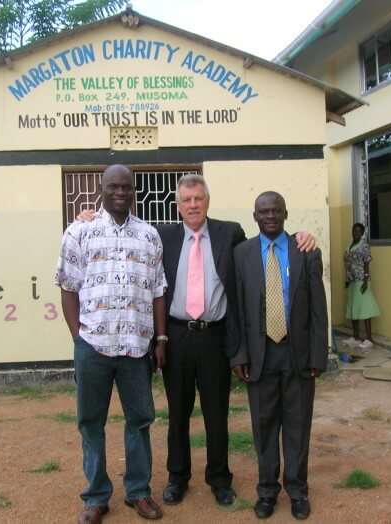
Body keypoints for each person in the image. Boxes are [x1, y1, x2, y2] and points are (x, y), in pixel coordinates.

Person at [75, 174, 316, 509]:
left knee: (217, 413)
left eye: (198, 199)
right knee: (178, 413)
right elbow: (125, 231)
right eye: (186, 200)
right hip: (176, 336)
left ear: (207, 202)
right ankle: (177, 478)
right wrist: (88, 216)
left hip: (215, 335)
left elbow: (265, 244)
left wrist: (301, 235)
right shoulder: (161, 235)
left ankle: (219, 479)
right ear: (177, 205)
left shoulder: (230, 233)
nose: (193, 206)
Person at [55, 164, 167, 524]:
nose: (120, 192)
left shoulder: (149, 236)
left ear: (134, 191)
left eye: (127, 187)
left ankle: (138, 491)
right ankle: (96, 496)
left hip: (136, 347)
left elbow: (158, 291)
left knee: (140, 420)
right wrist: (78, 337)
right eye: (113, 187)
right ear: (101, 189)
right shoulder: (79, 232)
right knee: (91, 422)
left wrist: (160, 338)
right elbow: (68, 287)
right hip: (93, 346)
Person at [231, 191, 328, 520]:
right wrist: (239, 355)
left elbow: (318, 308)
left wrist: (318, 355)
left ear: (285, 214)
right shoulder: (242, 254)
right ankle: (267, 491)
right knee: (264, 426)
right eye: (264, 211)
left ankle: (298, 491)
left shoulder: (306, 251)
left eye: (276, 210)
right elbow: (237, 309)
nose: (270, 216)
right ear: (255, 217)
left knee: (298, 426)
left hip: (297, 353)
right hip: (259, 356)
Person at [343, 222, 381, 350]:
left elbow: (366, 264)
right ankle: (355, 336)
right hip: (352, 281)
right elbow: (348, 264)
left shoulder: (364, 246)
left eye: (359, 231)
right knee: (354, 308)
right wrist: (347, 280)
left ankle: (369, 338)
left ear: (362, 233)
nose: (356, 233)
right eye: (354, 231)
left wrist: (365, 281)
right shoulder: (349, 245)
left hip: (361, 281)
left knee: (365, 309)